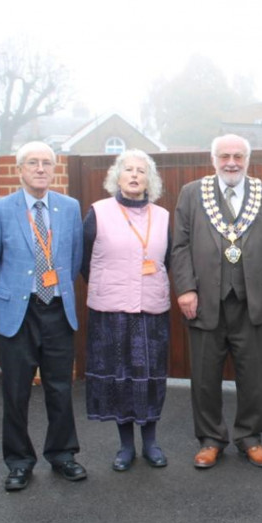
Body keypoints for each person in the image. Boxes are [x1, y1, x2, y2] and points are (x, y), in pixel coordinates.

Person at [171, 134, 262, 469]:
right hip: (204, 299)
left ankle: (250, 438)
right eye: (225, 156)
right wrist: (185, 289)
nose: (231, 163)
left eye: (238, 156)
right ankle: (210, 439)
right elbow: (179, 245)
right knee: (205, 377)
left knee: (253, 375)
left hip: (253, 300)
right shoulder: (193, 193)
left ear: (247, 159)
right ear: (214, 159)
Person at [0, 141, 86, 491]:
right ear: (20, 169)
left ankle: (63, 455)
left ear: (54, 169)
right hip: (18, 315)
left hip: (56, 311)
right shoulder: (0, 209)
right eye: (33, 163)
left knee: (59, 388)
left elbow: (74, 256)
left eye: (47, 163)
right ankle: (19, 462)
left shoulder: (69, 208)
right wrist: (6, 301)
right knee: (16, 391)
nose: (41, 169)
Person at [82, 149, 171, 471]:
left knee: (149, 377)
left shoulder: (162, 217)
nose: (135, 175)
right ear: (116, 177)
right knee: (120, 378)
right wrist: (112, 286)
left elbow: (168, 261)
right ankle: (124, 447)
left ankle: (150, 443)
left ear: (150, 180)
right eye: (128, 170)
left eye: (141, 171)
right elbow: (84, 261)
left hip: (151, 311)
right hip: (112, 313)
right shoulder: (98, 212)